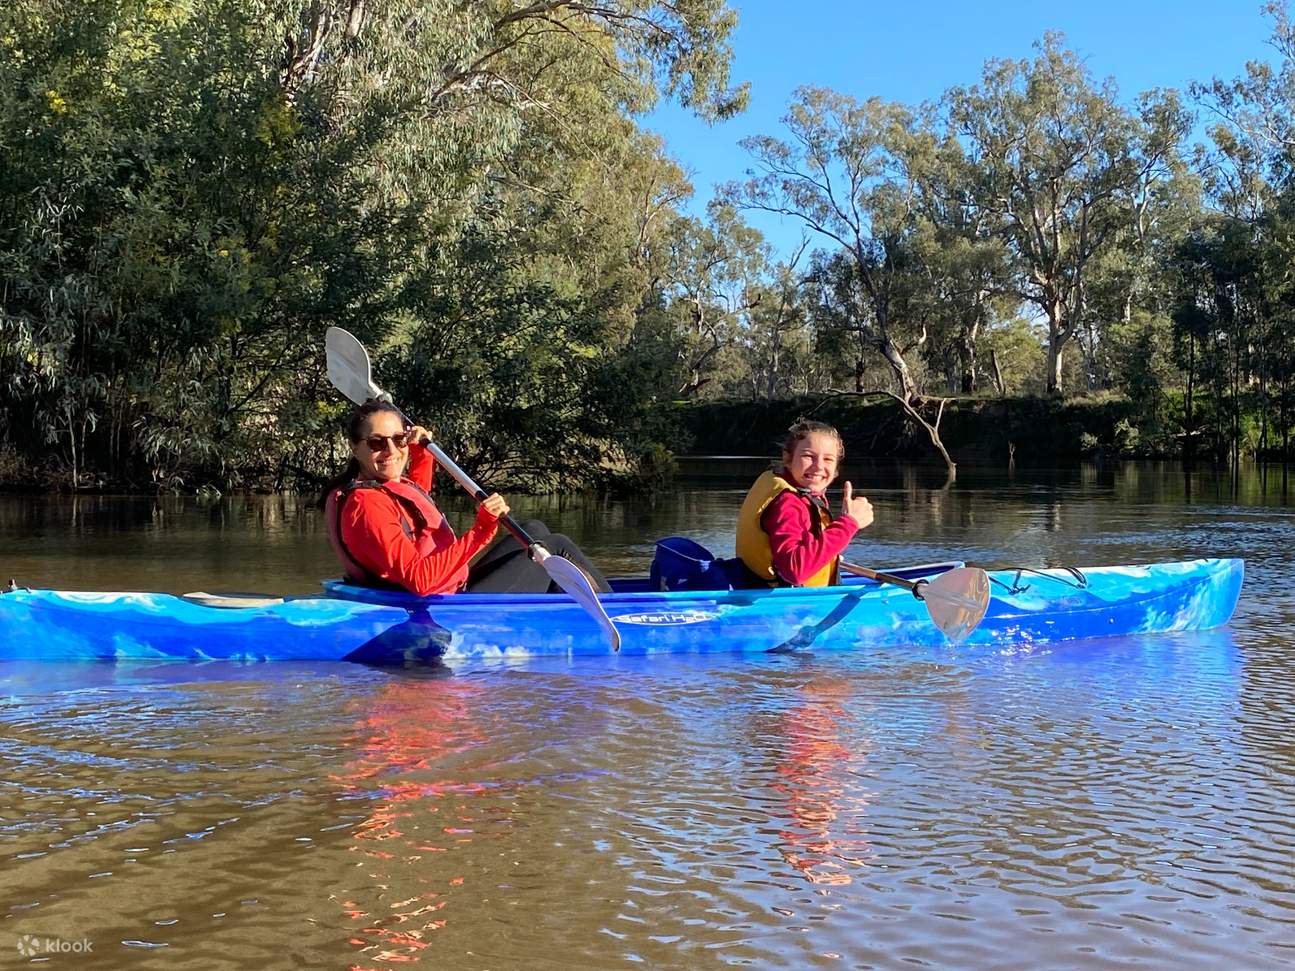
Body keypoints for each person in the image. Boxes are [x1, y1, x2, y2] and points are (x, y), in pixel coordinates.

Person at [322, 400, 610, 596]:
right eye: (376, 442)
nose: (391, 450)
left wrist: (422, 454)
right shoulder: (366, 504)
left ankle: (564, 607)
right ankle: (621, 615)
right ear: (355, 448)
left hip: (448, 589)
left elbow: (414, 508)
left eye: (398, 439)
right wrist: (481, 531)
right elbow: (420, 581)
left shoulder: (377, 488)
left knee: (534, 531)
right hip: (438, 605)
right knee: (556, 546)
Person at [734, 419, 874, 587]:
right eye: (808, 456)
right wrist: (849, 524)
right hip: (781, 603)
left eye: (828, 459)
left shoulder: (794, 489)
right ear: (787, 458)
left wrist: (829, 553)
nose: (818, 466)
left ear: (836, 468)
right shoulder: (787, 503)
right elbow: (795, 571)